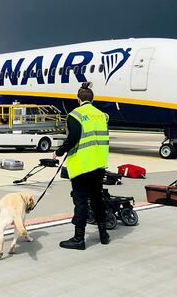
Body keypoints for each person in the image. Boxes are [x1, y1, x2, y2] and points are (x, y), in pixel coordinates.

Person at [53, 82, 109, 250]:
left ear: (78, 99)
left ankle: (79, 239)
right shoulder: (101, 115)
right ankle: (103, 234)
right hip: (99, 164)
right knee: (97, 199)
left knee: (81, 202)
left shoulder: (75, 115)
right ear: (92, 99)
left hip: (82, 165)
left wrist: (59, 151)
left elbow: (73, 138)